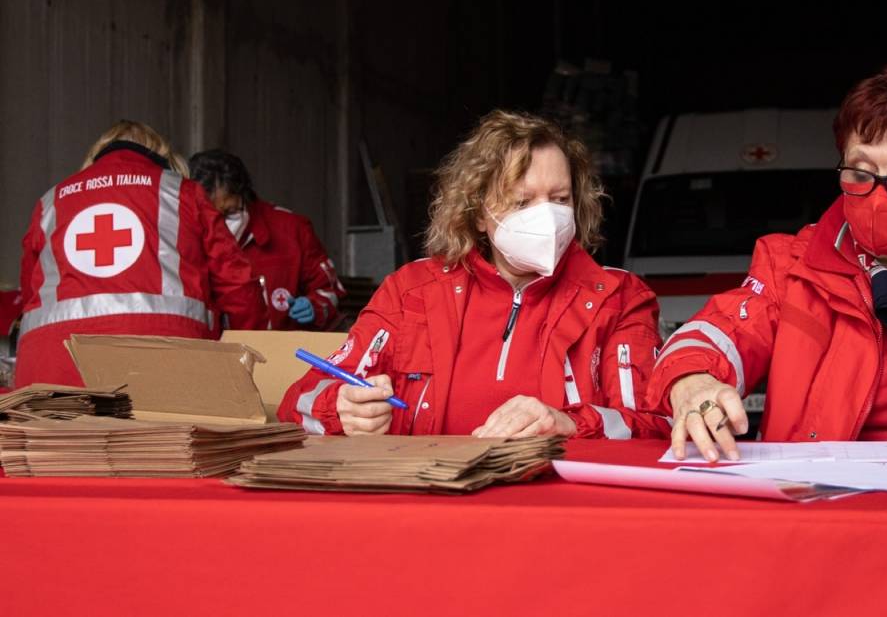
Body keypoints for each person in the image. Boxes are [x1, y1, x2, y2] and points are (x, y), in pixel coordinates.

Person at [652, 64, 887, 461]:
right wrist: (690, 381)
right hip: (819, 504)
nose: (879, 197)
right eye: (860, 173)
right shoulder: (791, 265)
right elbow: (711, 335)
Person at [278, 110, 669, 439]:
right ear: (480, 214)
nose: (547, 215)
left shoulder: (619, 298)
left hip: (558, 516)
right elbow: (298, 401)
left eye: (560, 199)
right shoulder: (410, 292)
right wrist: (340, 408)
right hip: (431, 511)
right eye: (522, 201)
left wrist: (570, 423)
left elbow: (657, 428)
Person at [16, 121, 266, 387]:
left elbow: (30, 288)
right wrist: (258, 354)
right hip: (164, 365)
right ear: (164, 156)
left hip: (49, 370)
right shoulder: (182, 192)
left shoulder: (51, 201)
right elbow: (239, 288)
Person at [189, 150, 346, 331]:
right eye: (210, 216)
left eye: (229, 213)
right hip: (211, 352)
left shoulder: (292, 230)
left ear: (245, 197)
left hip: (279, 352)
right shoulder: (181, 233)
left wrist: (316, 306)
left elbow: (330, 290)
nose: (219, 225)